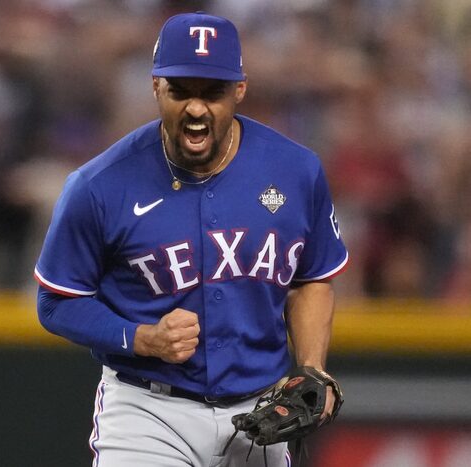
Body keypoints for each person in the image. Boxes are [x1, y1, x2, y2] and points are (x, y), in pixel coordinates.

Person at [33, 11, 348, 467]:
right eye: (180, 90)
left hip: (259, 412)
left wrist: (312, 367)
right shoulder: (99, 185)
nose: (196, 108)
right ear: (155, 86)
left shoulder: (295, 171)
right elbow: (56, 301)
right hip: (149, 411)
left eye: (213, 91)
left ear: (239, 89)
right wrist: (141, 337)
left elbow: (312, 278)